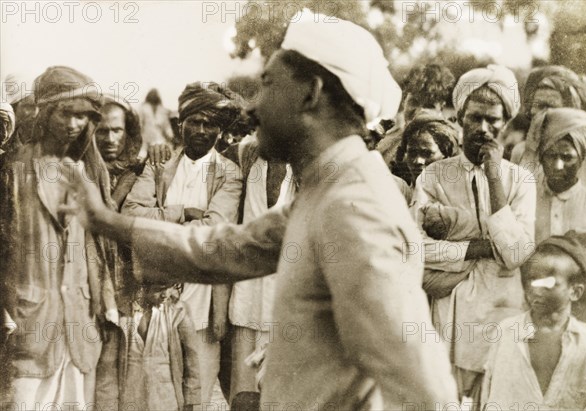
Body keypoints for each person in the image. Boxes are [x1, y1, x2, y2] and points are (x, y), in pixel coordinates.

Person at [60, 8, 458, 410]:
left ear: (311, 93)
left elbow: (424, 385)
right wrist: (107, 222)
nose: (250, 108)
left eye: (267, 84)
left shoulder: (354, 206)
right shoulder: (329, 187)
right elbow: (226, 249)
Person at [411, 64, 536, 405]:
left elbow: (515, 253)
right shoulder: (433, 177)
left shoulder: (520, 181)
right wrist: (478, 248)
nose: (483, 128)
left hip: (502, 312)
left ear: (505, 122)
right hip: (449, 314)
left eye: (493, 120)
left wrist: (495, 176)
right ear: (460, 117)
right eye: (474, 117)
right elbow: (414, 248)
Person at [0, 66, 117, 409]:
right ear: (47, 111)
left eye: (83, 116)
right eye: (67, 113)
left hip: (79, 325)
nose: (74, 124)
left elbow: (98, 248)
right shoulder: (12, 171)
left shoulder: (86, 171)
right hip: (28, 324)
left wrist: (105, 302)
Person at [122, 81, 243, 406]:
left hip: (202, 301)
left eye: (211, 124)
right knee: (156, 392)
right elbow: (133, 213)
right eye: (195, 121)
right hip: (156, 297)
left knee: (196, 394)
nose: (202, 130)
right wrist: (182, 212)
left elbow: (214, 229)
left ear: (220, 131)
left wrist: (159, 223)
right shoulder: (159, 165)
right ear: (181, 124)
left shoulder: (229, 174)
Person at [481, 234, 586, 410]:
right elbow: (489, 397)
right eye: (532, 279)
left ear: (575, 292)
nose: (535, 289)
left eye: (548, 282)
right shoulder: (506, 333)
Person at [223, 133, 296, 402]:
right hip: (247, 293)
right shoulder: (245, 157)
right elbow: (199, 157)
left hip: (287, 299)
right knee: (243, 393)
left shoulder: (307, 166)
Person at [105, 283, 201, 411]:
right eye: (159, 289)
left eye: (169, 287)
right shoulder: (120, 314)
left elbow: (192, 361)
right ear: (141, 286)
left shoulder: (178, 311)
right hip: (130, 401)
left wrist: (189, 401)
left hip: (167, 402)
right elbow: (108, 371)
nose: (165, 294)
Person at [511, 65, 586, 194]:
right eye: (536, 106)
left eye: (548, 107)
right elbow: (515, 203)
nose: (539, 114)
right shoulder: (520, 153)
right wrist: (529, 153)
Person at [530, 108, 586, 242]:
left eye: (567, 157)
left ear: (581, 160)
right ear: (541, 158)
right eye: (550, 156)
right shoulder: (526, 200)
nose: (557, 166)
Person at [377, 63, 456, 167]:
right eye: (414, 102)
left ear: (441, 108)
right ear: (404, 101)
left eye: (429, 106)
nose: (419, 111)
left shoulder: (450, 147)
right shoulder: (385, 144)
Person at [390, 110, 460, 197]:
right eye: (412, 152)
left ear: (446, 156)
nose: (418, 161)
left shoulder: (456, 197)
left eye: (427, 153)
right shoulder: (398, 194)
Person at [138, 88, 175, 159]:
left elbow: (166, 126)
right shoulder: (143, 108)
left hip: (159, 140)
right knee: (141, 157)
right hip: (146, 140)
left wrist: (171, 136)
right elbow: (139, 124)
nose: (153, 96)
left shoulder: (162, 110)